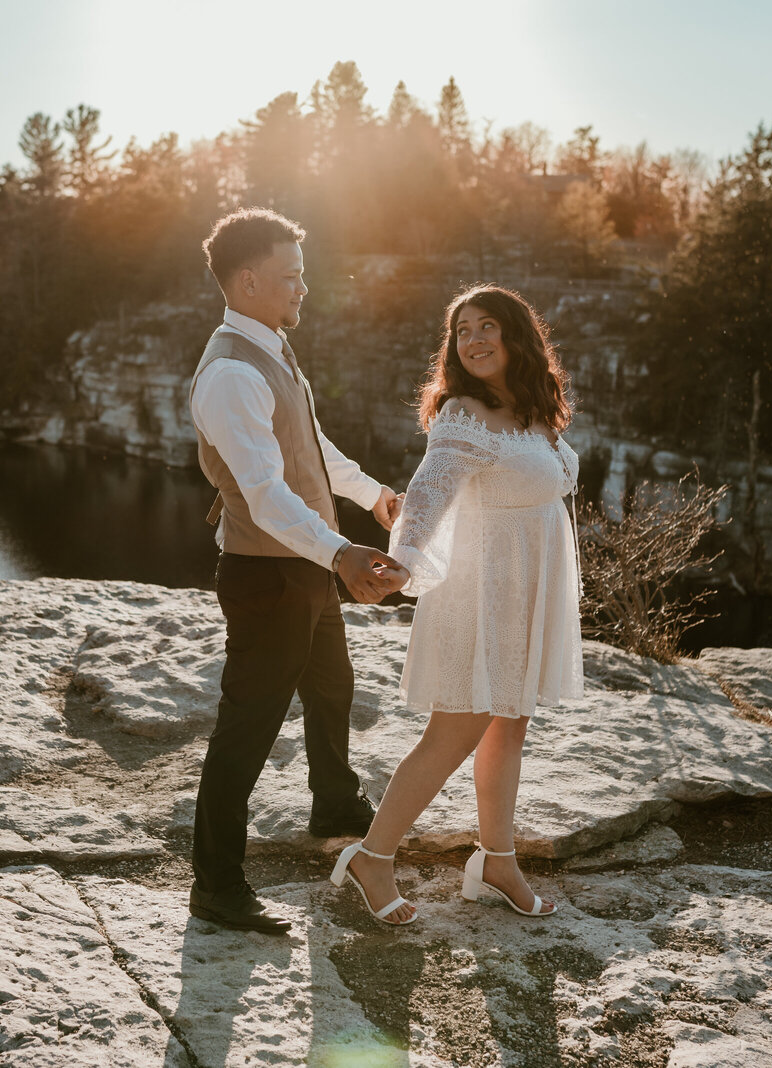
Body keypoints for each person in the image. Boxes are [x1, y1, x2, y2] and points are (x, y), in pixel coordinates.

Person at [329, 284, 582, 925]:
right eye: (462, 331)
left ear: (517, 336)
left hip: (527, 591)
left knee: (509, 725)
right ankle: (373, 856)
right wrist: (403, 561)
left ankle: (496, 861)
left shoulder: (532, 411)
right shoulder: (462, 414)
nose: (473, 339)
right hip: (482, 594)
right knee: (454, 732)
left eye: (487, 325)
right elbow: (427, 494)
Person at [188, 208, 409, 935]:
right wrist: (342, 555)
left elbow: (311, 449)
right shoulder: (228, 373)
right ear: (247, 281)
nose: (303, 290)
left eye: (304, 277)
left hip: (306, 571)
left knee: (332, 686)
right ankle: (216, 888)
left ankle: (336, 804)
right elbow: (265, 495)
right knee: (246, 731)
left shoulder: (272, 349)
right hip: (268, 578)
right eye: (291, 277)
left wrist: (371, 493)